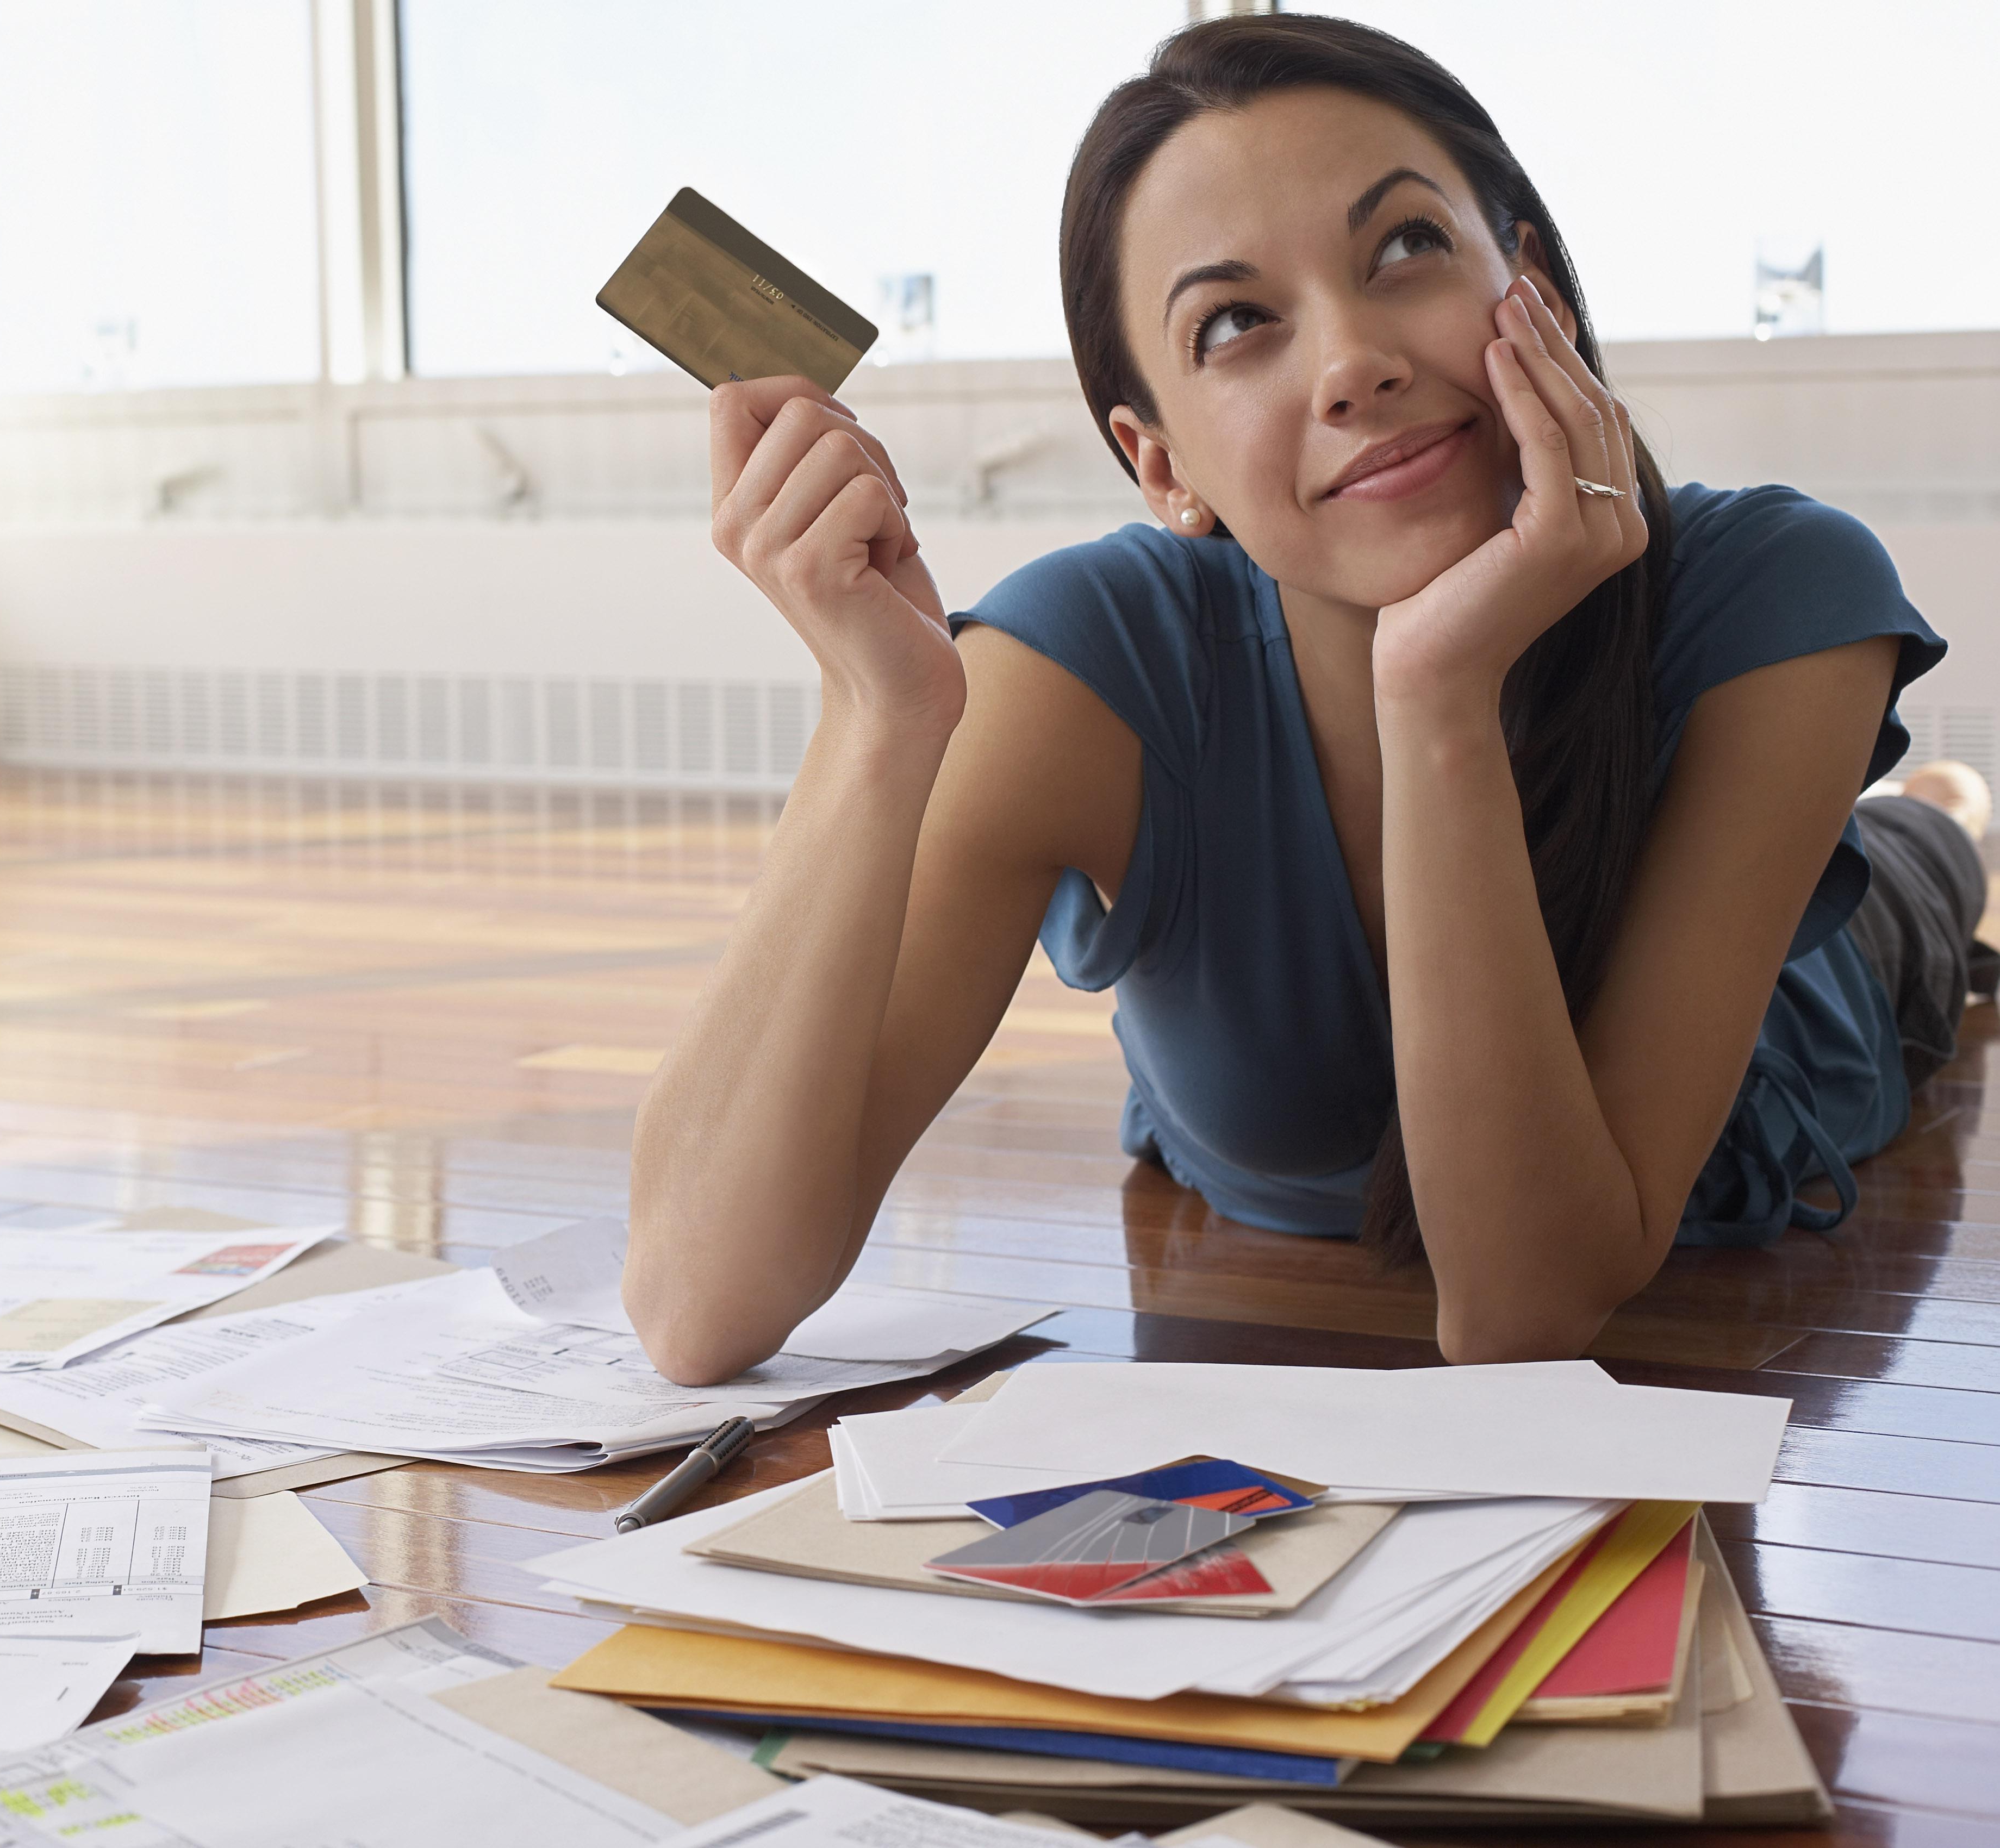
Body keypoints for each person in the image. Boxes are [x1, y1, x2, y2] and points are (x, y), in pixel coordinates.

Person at [622, 13, 1980, 1382]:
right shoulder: (1084, 667)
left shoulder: (1776, 596)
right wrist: (875, 717)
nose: (1352, 364)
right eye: (1235, 324)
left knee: (1933, 865)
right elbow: (695, 1305)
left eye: (1405, 247)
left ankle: (1947, 816)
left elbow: (1523, 1315)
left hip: (1809, 1007)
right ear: (1163, 469)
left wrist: (1438, 696)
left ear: (1539, 292)